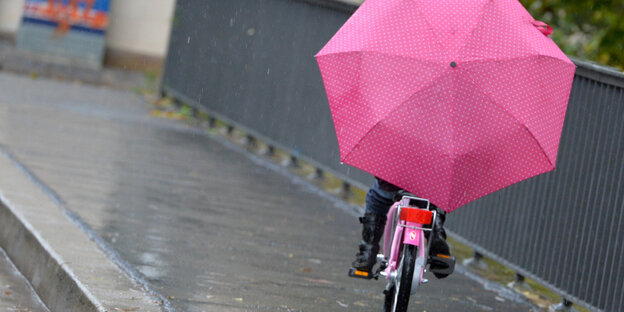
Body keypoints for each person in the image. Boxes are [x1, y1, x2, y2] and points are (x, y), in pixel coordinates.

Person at [352, 177, 453, 279]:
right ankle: (437, 241)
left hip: (392, 184)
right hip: (425, 186)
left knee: (376, 198)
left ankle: (367, 252)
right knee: (432, 207)